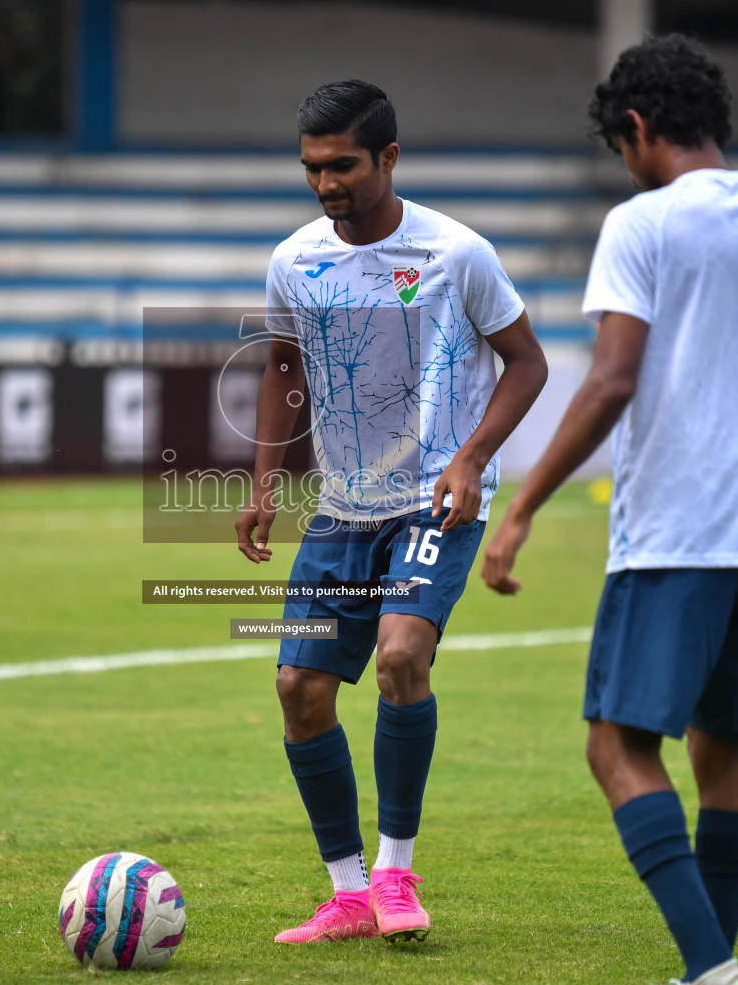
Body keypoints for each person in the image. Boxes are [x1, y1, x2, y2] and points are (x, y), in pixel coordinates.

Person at [480, 35, 738, 985]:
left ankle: (715, 971)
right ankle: (709, 966)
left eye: (621, 149)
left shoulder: (645, 224)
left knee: (617, 748)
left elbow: (612, 380)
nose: (627, 167)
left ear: (637, 129)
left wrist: (523, 507)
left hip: (676, 535)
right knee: (725, 762)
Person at [236, 80, 548, 945]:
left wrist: (473, 457)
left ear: (390, 158)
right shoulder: (293, 260)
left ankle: (397, 874)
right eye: (312, 168)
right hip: (342, 507)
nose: (327, 184)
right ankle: (346, 895)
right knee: (298, 688)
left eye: (343, 165)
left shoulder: (457, 254)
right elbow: (281, 369)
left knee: (402, 653)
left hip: (431, 503)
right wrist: (264, 483)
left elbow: (526, 362)